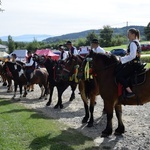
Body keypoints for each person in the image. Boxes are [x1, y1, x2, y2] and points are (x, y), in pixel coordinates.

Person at [116, 28, 141, 98]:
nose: (127, 36)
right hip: (137, 63)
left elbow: (132, 56)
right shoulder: (137, 42)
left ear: (133, 34)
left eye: (129, 34)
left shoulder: (133, 43)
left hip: (133, 64)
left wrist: (121, 59)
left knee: (119, 76)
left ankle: (129, 92)